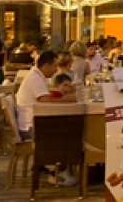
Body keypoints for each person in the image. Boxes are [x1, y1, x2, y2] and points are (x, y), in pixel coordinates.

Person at [14, 51, 78, 187]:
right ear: (46, 65)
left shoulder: (35, 76)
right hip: (30, 128)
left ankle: (52, 167)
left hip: (30, 123)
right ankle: (56, 173)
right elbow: (45, 100)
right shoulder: (35, 78)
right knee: (65, 134)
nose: (56, 69)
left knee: (64, 130)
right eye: (54, 66)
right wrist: (68, 99)